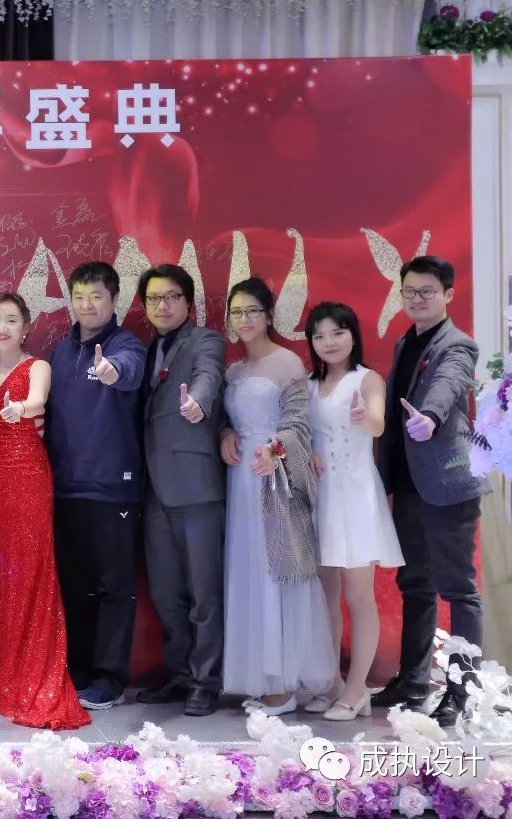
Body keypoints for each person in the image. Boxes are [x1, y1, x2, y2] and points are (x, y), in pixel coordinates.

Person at [375, 256, 489, 726]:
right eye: (410, 291)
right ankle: (413, 680)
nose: (417, 298)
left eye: (427, 291)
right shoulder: (406, 341)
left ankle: (462, 693)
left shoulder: (457, 344)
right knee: (415, 585)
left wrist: (431, 416)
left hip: (446, 482)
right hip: (409, 484)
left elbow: (448, 382)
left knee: (458, 590)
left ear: (448, 295)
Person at [217, 278, 335, 715]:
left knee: (278, 569)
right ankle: (263, 678)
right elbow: (224, 420)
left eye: (252, 310)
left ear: (269, 315)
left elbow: (298, 422)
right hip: (240, 480)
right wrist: (225, 433)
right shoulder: (232, 371)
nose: (244, 319)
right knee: (249, 571)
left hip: (276, 478)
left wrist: (275, 449)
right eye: (237, 312)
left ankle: (285, 685)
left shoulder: (287, 363)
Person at [0, 292, 90, 730]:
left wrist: (20, 408)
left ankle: (36, 681)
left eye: (11, 320)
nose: (2, 328)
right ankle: (10, 679)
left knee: (32, 575)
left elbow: (39, 401)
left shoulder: (37, 366)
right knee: (4, 579)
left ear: (26, 327)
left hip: (27, 475)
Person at [45, 261, 146, 711]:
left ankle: (109, 679)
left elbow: (128, 370)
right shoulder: (60, 351)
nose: (87, 305)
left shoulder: (126, 346)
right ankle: (80, 672)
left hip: (112, 488)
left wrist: (111, 372)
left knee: (113, 588)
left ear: (114, 300)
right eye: (80, 297)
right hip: (66, 487)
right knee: (76, 587)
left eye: (96, 297)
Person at [304, 302, 405, 721]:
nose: (329, 342)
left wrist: (367, 418)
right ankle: (331, 682)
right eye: (320, 335)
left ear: (352, 335)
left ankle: (357, 688)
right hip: (320, 497)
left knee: (358, 596)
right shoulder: (308, 384)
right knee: (324, 598)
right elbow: (300, 432)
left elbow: (379, 423)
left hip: (356, 497)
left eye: (337, 332)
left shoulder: (367, 379)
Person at [134, 263, 226, 717]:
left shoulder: (205, 340)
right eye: (153, 299)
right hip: (152, 489)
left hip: (196, 486)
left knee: (204, 593)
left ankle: (206, 682)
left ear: (188, 302)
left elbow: (209, 376)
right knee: (167, 593)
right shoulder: (148, 348)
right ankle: (180, 676)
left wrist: (199, 402)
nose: (162, 306)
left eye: (171, 297)